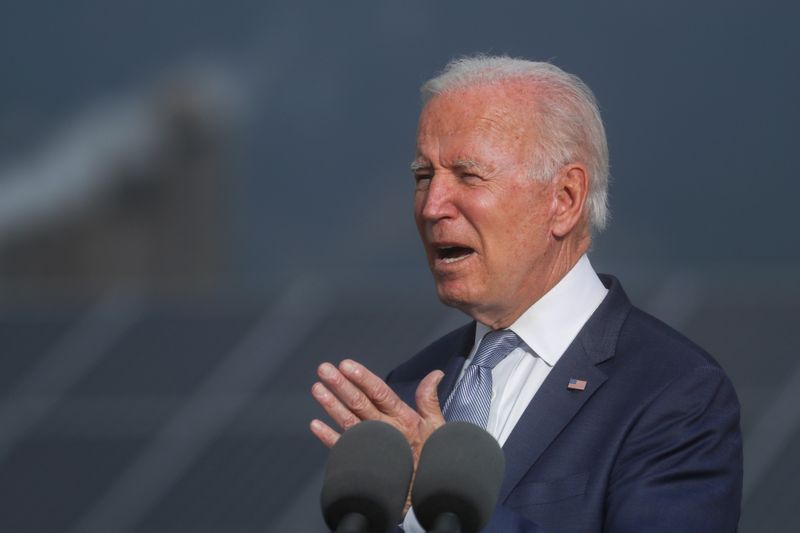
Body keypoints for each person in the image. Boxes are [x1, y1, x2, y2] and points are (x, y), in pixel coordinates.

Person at [309, 55, 742, 532]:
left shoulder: (672, 391)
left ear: (564, 200)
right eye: (423, 176)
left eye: (468, 175)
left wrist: (437, 506)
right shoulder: (407, 393)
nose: (432, 206)